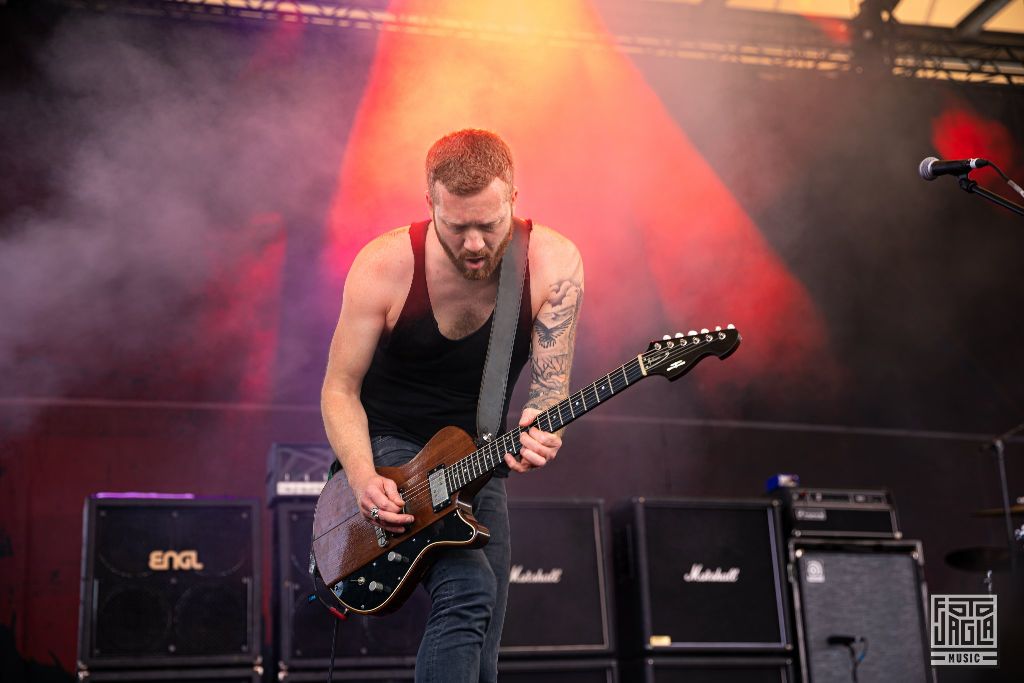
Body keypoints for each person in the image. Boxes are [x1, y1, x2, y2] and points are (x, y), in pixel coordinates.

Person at [320, 128, 583, 682]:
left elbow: (549, 388)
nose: (475, 244)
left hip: (478, 462)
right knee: (470, 590)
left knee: (484, 647)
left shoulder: (554, 263)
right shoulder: (386, 265)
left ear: (513, 198)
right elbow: (339, 389)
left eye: (489, 224)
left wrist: (543, 425)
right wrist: (363, 476)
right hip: (389, 454)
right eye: (457, 226)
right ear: (430, 204)